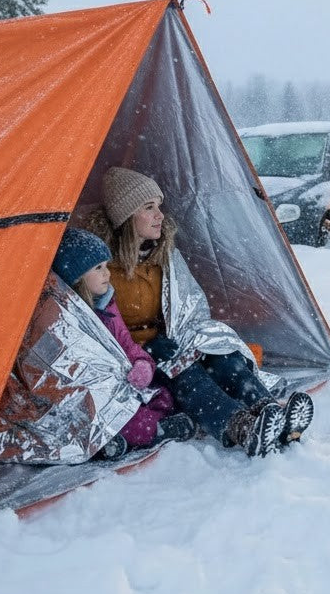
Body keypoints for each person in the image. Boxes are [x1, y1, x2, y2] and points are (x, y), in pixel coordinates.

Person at [80, 166, 314, 458]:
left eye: (159, 206)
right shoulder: (101, 270)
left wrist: (190, 340)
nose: (160, 215)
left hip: (171, 343)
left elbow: (187, 306)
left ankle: (267, 409)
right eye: (149, 208)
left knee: (222, 355)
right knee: (186, 373)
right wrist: (145, 349)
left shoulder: (163, 255)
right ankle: (241, 428)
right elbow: (100, 329)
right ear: (127, 216)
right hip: (135, 360)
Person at [51, 227, 196, 458]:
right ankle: (150, 432)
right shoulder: (65, 317)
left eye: (107, 266)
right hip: (89, 393)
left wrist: (142, 363)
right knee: (131, 419)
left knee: (162, 397)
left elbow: (125, 342)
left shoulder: (107, 303)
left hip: (117, 382)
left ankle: (114, 440)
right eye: (98, 268)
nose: (107, 274)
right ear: (77, 277)